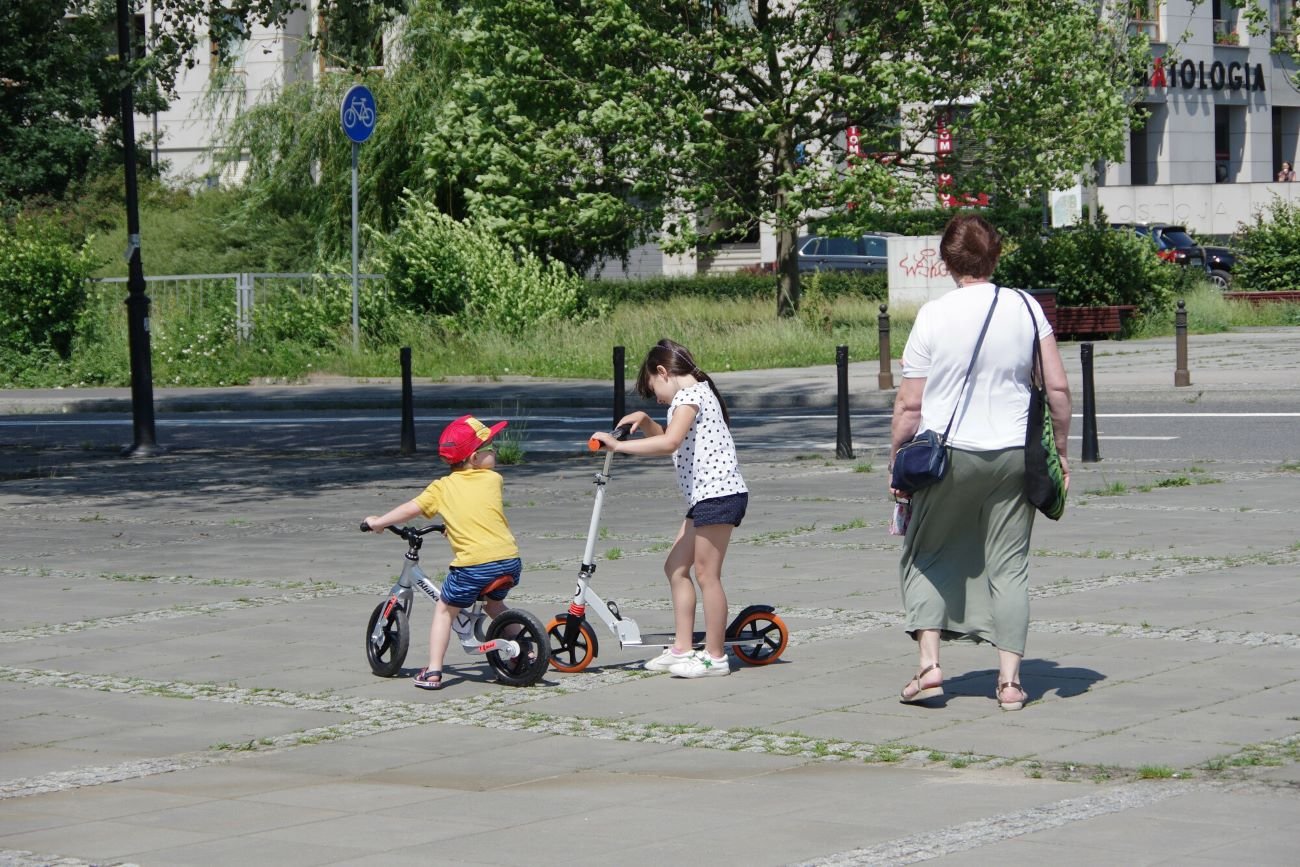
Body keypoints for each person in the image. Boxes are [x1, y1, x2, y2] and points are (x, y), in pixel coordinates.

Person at [888, 215, 1071, 712]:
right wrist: (1062, 452)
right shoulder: (1027, 307)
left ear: (946, 262)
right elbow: (1056, 388)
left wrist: (895, 464)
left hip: (946, 458)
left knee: (925, 554)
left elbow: (909, 405)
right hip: (1015, 454)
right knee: (1010, 568)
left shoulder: (933, 315)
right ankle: (1010, 685)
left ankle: (929, 669)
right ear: (996, 255)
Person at [590, 339, 748, 678]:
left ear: (663, 372)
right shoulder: (696, 393)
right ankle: (682, 647)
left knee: (707, 576)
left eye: (653, 390)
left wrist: (618, 446)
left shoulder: (689, 396)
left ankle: (715, 656)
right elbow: (669, 437)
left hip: (719, 495)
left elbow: (671, 442)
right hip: (705, 497)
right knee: (676, 568)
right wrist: (646, 420)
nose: (657, 397)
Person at [364, 414, 522, 690]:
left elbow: (409, 510)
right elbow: (477, 509)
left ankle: (434, 671)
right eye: (488, 447)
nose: (494, 451)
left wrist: (378, 522)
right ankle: (528, 647)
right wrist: (455, 524)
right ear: (474, 459)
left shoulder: (442, 487)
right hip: (509, 561)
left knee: (444, 612)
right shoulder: (493, 479)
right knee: (494, 605)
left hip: (475, 565)